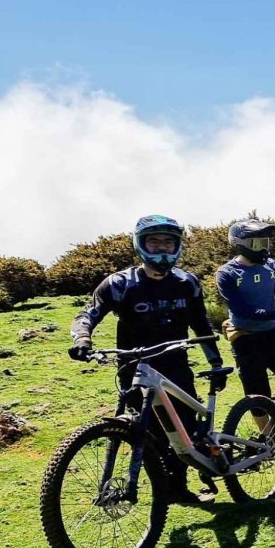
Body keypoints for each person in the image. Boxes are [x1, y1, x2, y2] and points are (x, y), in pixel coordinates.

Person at [69, 215, 226, 504]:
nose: (162, 249)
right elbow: (87, 314)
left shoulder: (187, 282)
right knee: (150, 434)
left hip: (176, 367)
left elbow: (201, 325)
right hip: (135, 368)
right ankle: (160, 490)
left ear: (178, 246)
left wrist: (215, 363)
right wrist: (82, 339)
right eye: (154, 242)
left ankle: (179, 489)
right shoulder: (119, 284)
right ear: (140, 246)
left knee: (183, 433)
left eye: (169, 242)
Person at [216, 219, 275, 417]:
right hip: (245, 338)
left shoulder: (271, 266)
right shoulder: (226, 274)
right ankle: (269, 439)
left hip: (272, 333)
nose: (264, 248)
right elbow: (243, 311)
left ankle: (274, 428)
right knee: (258, 396)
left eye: (266, 242)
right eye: (257, 244)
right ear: (240, 245)